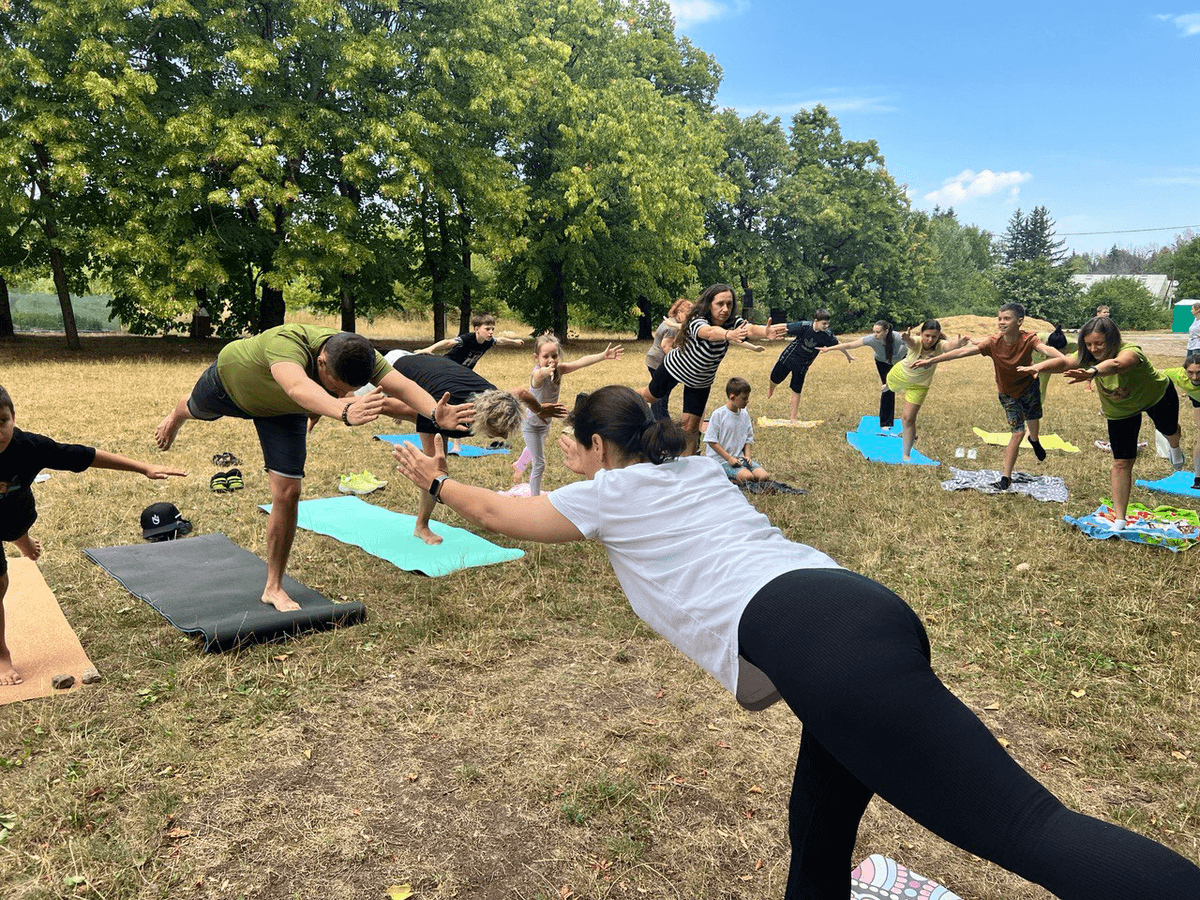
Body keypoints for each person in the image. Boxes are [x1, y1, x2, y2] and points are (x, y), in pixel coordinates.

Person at [391, 384, 1200, 900]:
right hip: (856, 610)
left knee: (1026, 827)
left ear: (601, 450)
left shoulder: (611, 493)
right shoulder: (696, 468)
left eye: (580, 449)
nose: (572, 458)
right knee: (817, 826)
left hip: (827, 646)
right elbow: (598, 462)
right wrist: (559, 428)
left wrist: (430, 476)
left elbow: (501, 516)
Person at [154, 324, 474, 609]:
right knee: (196, 408)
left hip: (284, 411)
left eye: (341, 390)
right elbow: (297, 387)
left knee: (289, 492)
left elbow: (401, 386)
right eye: (334, 385)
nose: (338, 392)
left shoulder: (359, 353)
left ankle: (273, 587)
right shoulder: (286, 341)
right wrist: (340, 408)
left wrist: (435, 413)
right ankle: (176, 416)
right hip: (231, 385)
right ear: (321, 361)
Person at [1, 385, 186, 686]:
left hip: (16, 511)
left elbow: (84, 456)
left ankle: (20, 537)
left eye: (2, 421)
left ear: (13, 418)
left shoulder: (29, 447)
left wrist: (144, 468)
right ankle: (2, 655)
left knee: (14, 524)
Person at [369, 350, 567, 543]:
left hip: (421, 359)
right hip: (389, 368)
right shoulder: (442, 413)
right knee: (434, 467)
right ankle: (421, 526)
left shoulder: (494, 398)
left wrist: (539, 410)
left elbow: (520, 393)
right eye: (499, 432)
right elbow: (429, 474)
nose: (505, 436)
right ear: (482, 422)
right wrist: (347, 409)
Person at [1019, 316, 1184, 529]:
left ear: (1113, 340)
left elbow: (1117, 364)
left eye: (1099, 343)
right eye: (1088, 344)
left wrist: (1092, 371)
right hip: (1121, 409)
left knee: (1169, 430)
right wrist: (1038, 368)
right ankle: (1120, 518)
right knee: (1122, 462)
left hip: (1157, 396)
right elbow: (1064, 362)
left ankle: (1175, 446)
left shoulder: (1132, 351)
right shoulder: (1087, 355)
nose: (1093, 349)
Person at [913, 303, 1066, 490]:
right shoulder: (993, 342)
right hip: (1008, 393)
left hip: (1029, 388)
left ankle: (1034, 440)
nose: (1001, 322)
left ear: (1019, 321)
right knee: (1017, 433)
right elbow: (962, 352)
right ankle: (1006, 477)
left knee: (1033, 419)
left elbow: (1047, 350)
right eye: (999, 318)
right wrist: (931, 359)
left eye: (1006, 318)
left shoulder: (1028, 339)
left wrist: (1066, 361)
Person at [638, 283, 786, 455]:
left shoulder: (733, 322)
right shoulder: (697, 319)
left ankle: (688, 465)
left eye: (729, 304)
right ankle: (625, 398)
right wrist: (727, 334)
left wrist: (764, 332)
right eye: (720, 304)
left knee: (690, 426)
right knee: (650, 396)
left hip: (700, 381)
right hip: (675, 368)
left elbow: (750, 328)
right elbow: (708, 332)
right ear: (709, 304)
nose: (725, 309)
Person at [522, 334, 623, 495]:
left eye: (554, 356)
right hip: (531, 424)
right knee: (539, 463)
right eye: (545, 356)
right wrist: (546, 370)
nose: (551, 360)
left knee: (535, 447)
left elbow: (580, 362)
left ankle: (518, 465)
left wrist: (603, 356)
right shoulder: (538, 375)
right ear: (536, 357)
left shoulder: (560, 370)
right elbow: (538, 375)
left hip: (545, 423)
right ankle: (534, 497)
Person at [885, 320, 970, 462]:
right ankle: (886, 386)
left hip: (919, 385)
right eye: (927, 335)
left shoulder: (939, 345)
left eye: (934, 337)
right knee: (889, 386)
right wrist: (906, 339)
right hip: (900, 375)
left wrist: (958, 344)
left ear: (938, 337)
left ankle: (906, 454)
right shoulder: (917, 341)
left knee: (908, 419)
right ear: (922, 334)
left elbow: (949, 347)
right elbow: (912, 342)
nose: (930, 340)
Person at [766, 309, 852, 425]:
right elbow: (785, 326)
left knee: (796, 389)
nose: (826, 326)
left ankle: (793, 418)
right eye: (824, 323)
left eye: (828, 323)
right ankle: (771, 389)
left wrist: (848, 355)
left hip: (803, 365)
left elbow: (839, 345)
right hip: (789, 357)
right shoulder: (804, 326)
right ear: (816, 321)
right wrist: (766, 329)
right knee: (775, 378)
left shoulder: (826, 335)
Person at [819, 320, 905, 429]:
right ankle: (886, 423)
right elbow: (850, 344)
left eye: (878, 332)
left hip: (901, 362)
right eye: (874, 331)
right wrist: (828, 349)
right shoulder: (871, 339)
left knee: (906, 386)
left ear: (886, 331)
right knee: (887, 389)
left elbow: (916, 345)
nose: (875, 334)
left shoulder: (898, 338)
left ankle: (909, 416)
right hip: (882, 362)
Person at [703, 377, 770, 484]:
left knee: (763, 477)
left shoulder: (744, 414)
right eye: (744, 398)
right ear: (732, 397)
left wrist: (747, 456)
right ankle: (730, 479)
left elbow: (748, 439)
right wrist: (729, 458)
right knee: (747, 478)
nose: (747, 401)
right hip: (721, 461)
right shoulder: (719, 415)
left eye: (748, 398)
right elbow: (711, 441)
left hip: (740, 459)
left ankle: (738, 476)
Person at [413, 312, 523, 369]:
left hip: (464, 371)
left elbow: (500, 340)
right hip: (448, 365)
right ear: (477, 329)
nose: (491, 332)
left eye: (492, 329)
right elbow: (448, 342)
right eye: (487, 329)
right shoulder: (467, 339)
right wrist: (429, 349)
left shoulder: (488, 341)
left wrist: (514, 342)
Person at [645, 299, 692, 421]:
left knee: (658, 391)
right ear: (679, 312)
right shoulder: (672, 327)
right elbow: (665, 346)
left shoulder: (672, 322)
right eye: (687, 316)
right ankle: (661, 421)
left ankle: (656, 419)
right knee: (660, 394)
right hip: (658, 361)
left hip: (653, 360)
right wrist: (679, 363)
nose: (688, 320)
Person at [1161, 352, 1200, 489]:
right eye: (1190, 373)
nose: (1194, 377)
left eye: (1199, 373)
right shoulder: (1177, 374)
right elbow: (1154, 374)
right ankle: (1198, 478)